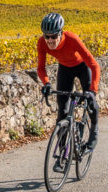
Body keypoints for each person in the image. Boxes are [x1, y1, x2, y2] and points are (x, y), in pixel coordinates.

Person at [37, 12, 100, 153]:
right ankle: (62, 151)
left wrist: (93, 90)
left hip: (82, 67)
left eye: (54, 36)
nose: (50, 40)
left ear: (61, 33)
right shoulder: (42, 43)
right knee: (62, 112)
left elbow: (94, 65)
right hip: (65, 69)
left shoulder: (72, 39)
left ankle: (94, 131)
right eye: (46, 36)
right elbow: (41, 68)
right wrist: (46, 84)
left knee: (90, 102)